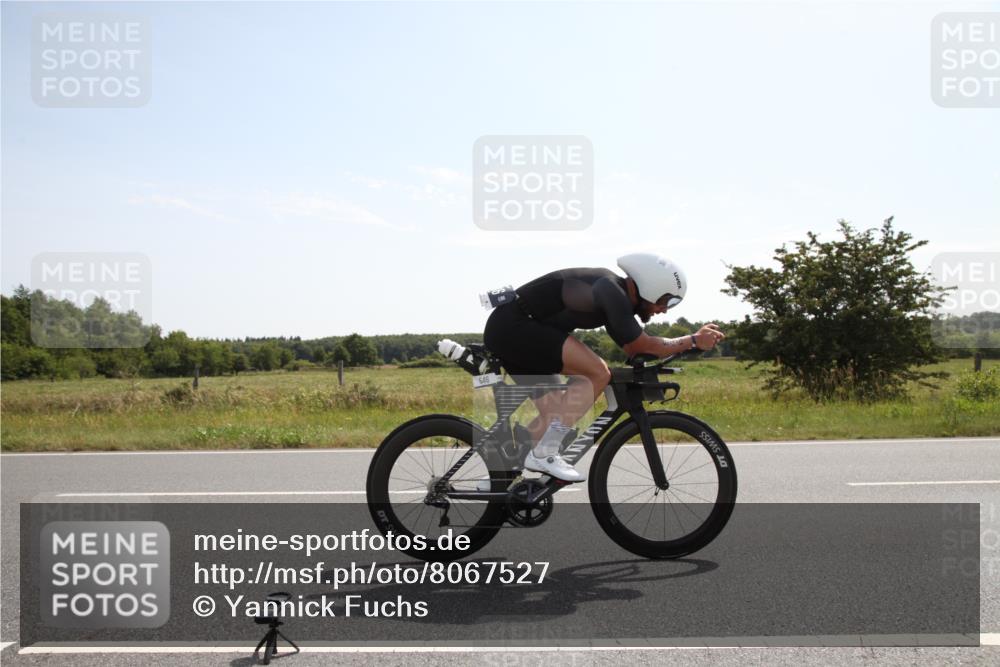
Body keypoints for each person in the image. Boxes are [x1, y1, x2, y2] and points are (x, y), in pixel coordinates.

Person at [483, 253, 725, 482]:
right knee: (598, 373)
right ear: (650, 286)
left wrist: (687, 344)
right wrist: (692, 340)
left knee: (557, 412)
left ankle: (504, 476)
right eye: (666, 300)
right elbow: (642, 345)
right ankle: (544, 453)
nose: (664, 310)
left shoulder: (612, 292)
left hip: (512, 328)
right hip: (515, 327)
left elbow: (635, 348)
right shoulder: (610, 290)